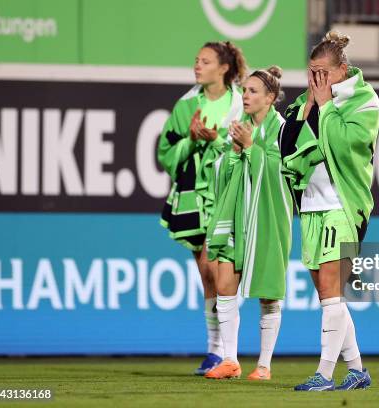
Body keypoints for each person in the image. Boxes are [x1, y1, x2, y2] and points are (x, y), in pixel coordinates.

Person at [279, 31, 379, 391]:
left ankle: (324, 375)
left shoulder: (364, 100)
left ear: (343, 69)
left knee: (332, 290)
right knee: (327, 295)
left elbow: (343, 143)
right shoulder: (304, 102)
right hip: (311, 206)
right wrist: (309, 107)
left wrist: (324, 107)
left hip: (343, 207)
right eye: (311, 72)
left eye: (324, 71)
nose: (317, 79)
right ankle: (357, 371)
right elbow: (287, 145)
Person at [157, 41, 247, 375]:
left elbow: (248, 141)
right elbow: (166, 150)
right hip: (195, 193)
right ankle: (215, 350)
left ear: (223, 68)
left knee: (215, 267)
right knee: (206, 275)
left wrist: (215, 139)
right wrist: (192, 140)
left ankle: (224, 352)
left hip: (226, 193)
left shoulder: (239, 101)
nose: (197, 65)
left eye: (205, 61)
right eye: (196, 60)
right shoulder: (186, 104)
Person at [204, 66, 293, 380]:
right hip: (237, 217)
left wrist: (251, 147)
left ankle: (265, 365)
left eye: (253, 91)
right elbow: (224, 173)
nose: (246, 96)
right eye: (244, 91)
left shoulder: (282, 129)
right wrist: (232, 150)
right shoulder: (238, 128)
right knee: (225, 285)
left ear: (270, 98)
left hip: (267, 220)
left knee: (269, 294)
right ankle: (230, 360)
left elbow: (282, 173)